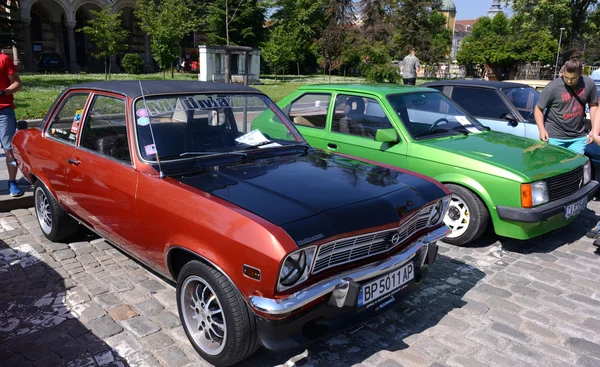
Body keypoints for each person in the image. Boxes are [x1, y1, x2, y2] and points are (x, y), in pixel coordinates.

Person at [534, 58, 598, 155]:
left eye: (573, 78)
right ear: (563, 72)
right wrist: (542, 130)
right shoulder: (552, 87)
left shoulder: (589, 84)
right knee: (554, 167)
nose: (569, 81)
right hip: (554, 136)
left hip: (578, 137)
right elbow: (538, 109)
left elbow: (593, 106)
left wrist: (594, 130)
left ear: (580, 73)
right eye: (566, 77)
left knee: (575, 166)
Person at [0, 52, 23, 197]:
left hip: (3, 111)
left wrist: (3, 92)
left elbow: (17, 83)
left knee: (9, 150)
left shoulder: (4, 59)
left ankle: (12, 182)